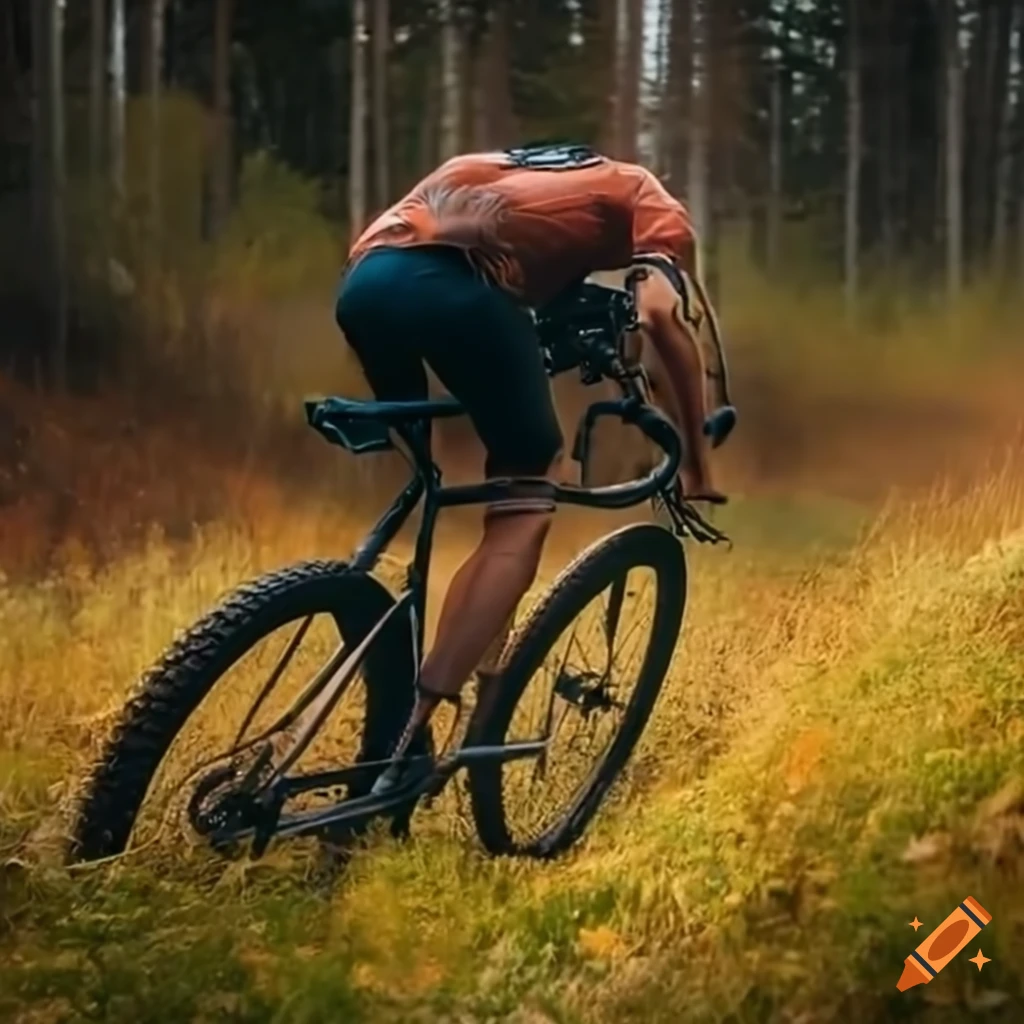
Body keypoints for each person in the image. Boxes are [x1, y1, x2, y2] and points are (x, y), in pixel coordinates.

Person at [334, 143, 735, 794]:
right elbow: (661, 314)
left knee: (428, 482)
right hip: (457, 295)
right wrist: (697, 461)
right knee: (524, 500)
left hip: (366, 285)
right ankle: (405, 751)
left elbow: (451, 255)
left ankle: (390, 654)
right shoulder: (647, 199)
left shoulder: (500, 165)